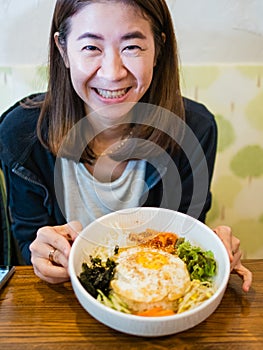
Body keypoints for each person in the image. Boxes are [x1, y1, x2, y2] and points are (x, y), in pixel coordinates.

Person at [0, 0, 252, 290]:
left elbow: (183, 239)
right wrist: (43, 252)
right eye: (92, 48)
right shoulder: (20, 135)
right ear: (63, 50)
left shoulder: (195, 130)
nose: (113, 73)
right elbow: (28, 247)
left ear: (158, 49)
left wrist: (213, 247)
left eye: (132, 47)